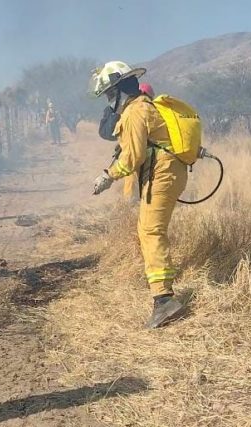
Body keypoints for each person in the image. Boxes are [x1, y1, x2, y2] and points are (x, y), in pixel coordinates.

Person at [89, 61, 188, 329]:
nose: (110, 101)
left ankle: (164, 300)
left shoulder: (134, 112)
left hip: (161, 173)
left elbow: (131, 157)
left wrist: (108, 176)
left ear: (120, 90)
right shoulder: (144, 106)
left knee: (151, 232)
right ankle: (162, 296)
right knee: (148, 230)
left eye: (110, 94)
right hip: (166, 172)